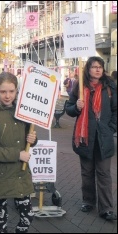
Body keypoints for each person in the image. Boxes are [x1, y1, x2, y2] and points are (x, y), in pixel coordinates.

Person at [0, 72, 37, 233]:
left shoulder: (23, 111)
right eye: (3, 92)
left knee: (27, 216)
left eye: (11, 91)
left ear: (16, 91)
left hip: (20, 173)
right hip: (0, 174)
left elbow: (28, 138)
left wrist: (33, 138)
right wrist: (17, 154)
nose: (7, 96)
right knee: (1, 222)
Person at [65, 56, 117, 221]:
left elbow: (116, 110)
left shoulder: (109, 87)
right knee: (87, 172)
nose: (97, 69)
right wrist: (76, 107)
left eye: (100, 67)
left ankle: (106, 208)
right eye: (94, 67)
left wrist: (111, 128)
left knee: (103, 173)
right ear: (88, 69)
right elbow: (69, 109)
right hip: (85, 136)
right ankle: (88, 201)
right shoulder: (79, 87)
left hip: (104, 137)